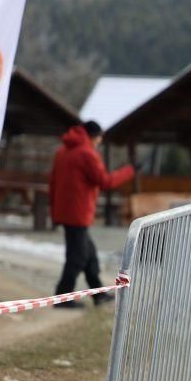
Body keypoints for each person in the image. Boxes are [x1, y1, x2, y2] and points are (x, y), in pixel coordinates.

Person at [49, 120, 134, 307]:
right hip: (78, 212)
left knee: (89, 254)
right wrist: (129, 172)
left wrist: (53, 209)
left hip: (66, 211)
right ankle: (62, 298)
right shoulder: (87, 153)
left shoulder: (62, 151)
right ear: (93, 136)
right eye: (99, 138)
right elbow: (105, 181)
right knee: (78, 257)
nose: (99, 142)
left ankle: (98, 294)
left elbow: (53, 182)